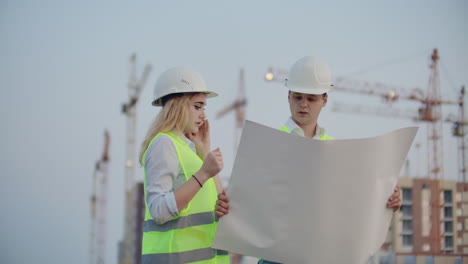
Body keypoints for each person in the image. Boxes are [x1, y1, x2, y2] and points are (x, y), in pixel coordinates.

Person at [215, 56, 402, 264]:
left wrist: (388, 202)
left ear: (324, 100)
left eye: (311, 98)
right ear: (288, 96)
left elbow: (352, 202)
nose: (303, 104)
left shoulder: (337, 151)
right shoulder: (268, 145)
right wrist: (226, 207)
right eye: (298, 97)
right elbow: (248, 201)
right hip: (276, 258)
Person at [140, 66, 229, 264]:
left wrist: (204, 151)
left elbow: (221, 203)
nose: (203, 115)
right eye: (197, 107)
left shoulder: (188, 151)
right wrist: (204, 173)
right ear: (177, 105)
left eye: (204, 108)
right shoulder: (164, 144)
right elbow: (159, 210)